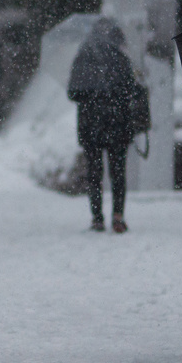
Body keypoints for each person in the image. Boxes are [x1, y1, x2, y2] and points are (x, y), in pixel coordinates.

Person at [67, 19, 144, 233]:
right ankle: (118, 217)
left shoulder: (82, 59)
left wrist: (90, 95)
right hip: (118, 124)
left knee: (94, 173)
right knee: (118, 172)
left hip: (90, 125)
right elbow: (132, 91)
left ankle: (97, 218)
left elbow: (72, 93)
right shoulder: (121, 59)